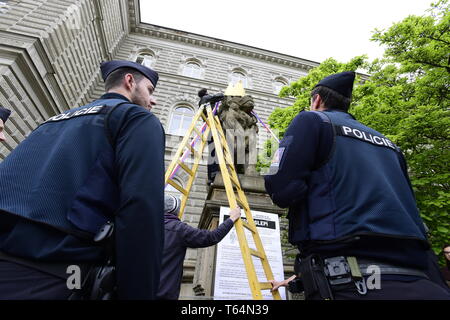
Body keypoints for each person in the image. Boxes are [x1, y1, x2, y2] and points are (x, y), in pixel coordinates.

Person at [265, 71, 450, 300]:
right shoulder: (389, 144)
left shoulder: (312, 120)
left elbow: (282, 187)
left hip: (350, 280)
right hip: (422, 279)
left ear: (317, 100)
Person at [0, 60, 165, 300]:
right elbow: (141, 208)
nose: (153, 100)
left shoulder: (53, 121)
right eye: (150, 90)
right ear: (130, 81)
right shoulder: (135, 118)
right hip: (60, 275)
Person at [157, 194, 241, 300]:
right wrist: (232, 218)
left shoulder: (144, 226)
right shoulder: (178, 229)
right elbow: (211, 237)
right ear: (176, 210)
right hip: (163, 294)